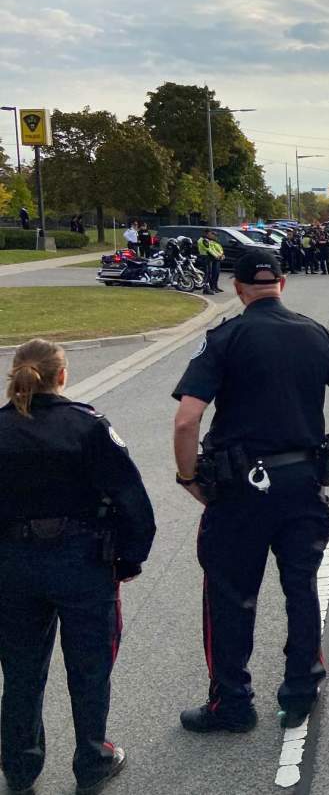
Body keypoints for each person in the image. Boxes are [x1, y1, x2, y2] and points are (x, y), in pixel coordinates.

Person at [171, 250, 329, 732]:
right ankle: (301, 690)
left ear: (238, 288)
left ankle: (232, 704)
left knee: (230, 596)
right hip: (301, 483)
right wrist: (328, 456)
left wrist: (189, 478)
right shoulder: (316, 334)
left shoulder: (225, 338)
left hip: (239, 491)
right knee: (301, 588)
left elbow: (187, 420)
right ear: (282, 284)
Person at [0, 339, 156, 795]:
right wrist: (131, 556)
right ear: (61, 376)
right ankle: (92, 760)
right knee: (89, 667)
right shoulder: (87, 426)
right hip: (82, 560)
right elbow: (131, 498)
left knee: (21, 670)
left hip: (13, 563)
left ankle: (19, 766)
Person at [197, 229, 224, 294]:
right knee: (207, 274)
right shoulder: (203, 240)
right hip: (205, 257)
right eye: (209, 234)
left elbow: (212, 249)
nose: (210, 235)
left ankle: (211, 288)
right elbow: (209, 250)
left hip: (209, 258)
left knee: (210, 274)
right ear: (205, 233)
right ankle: (206, 289)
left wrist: (219, 255)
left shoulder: (207, 240)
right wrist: (217, 256)